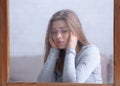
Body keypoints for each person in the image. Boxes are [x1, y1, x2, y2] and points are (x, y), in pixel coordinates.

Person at [37, 9, 103, 83]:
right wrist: (54, 51)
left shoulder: (91, 51)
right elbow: (42, 83)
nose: (58, 36)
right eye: (54, 32)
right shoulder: (58, 56)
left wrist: (70, 49)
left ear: (75, 32)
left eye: (64, 31)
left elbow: (71, 83)